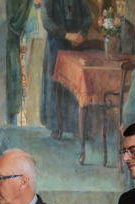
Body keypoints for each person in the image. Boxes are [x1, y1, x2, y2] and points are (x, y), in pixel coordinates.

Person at [40, 0, 91, 138]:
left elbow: (88, 16)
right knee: (54, 86)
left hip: (76, 46)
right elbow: (46, 21)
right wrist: (66, 35)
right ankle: (56, 127)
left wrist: (81, 34)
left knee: (75, 86)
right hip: (55, 46)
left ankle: (76, 127)